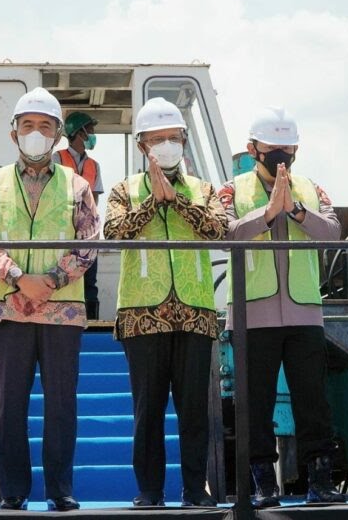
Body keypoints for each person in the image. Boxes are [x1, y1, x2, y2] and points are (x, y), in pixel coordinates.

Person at [0, 87, 99, 511]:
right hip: (9, 309)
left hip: (62, 311)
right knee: (11, 404)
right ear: (14, 134)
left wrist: (52, 279)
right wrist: (20, 278)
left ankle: (60, 489)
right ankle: (12, 490)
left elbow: (89, 242)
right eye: (28, 126)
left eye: (45, 126)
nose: (36, 134)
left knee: (62, 403)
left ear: (58, 135)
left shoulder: (79, 186)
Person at [103, 97, 228, 507]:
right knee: (148, 411)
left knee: (194, 411)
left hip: (194, 311)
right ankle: (150, 491)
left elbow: (218, 230)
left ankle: (196, 489)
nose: (166, 146)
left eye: (173, 138)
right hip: (142, 315)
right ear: (142, 147)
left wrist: (175, 200)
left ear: (184, 142)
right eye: (157, 140)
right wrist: (152, 202)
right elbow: (114, 233)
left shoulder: (205, 190)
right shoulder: (124, 191)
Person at [218, 107, 344, 508]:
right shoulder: (231, 189)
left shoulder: (311, 187)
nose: (282, 157)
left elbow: (333, 233)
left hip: (304, 310)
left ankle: (319, 481)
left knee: (313, 401)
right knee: (254, 403)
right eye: (273, 150)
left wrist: (295, 210)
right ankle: (262, 484)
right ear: (252, 149)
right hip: (253, 313)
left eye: (288, 149)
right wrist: (268, 211)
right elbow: (226, 232)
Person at [54, 111, 103, 319]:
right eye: (89, 130)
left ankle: (90, 321)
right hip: (62, 230)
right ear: (78, 132)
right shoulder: (57, 158)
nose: (92, 134)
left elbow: (95, 197)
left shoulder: (94, 165)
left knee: (89, 279)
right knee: (63, 274)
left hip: (87, 231)